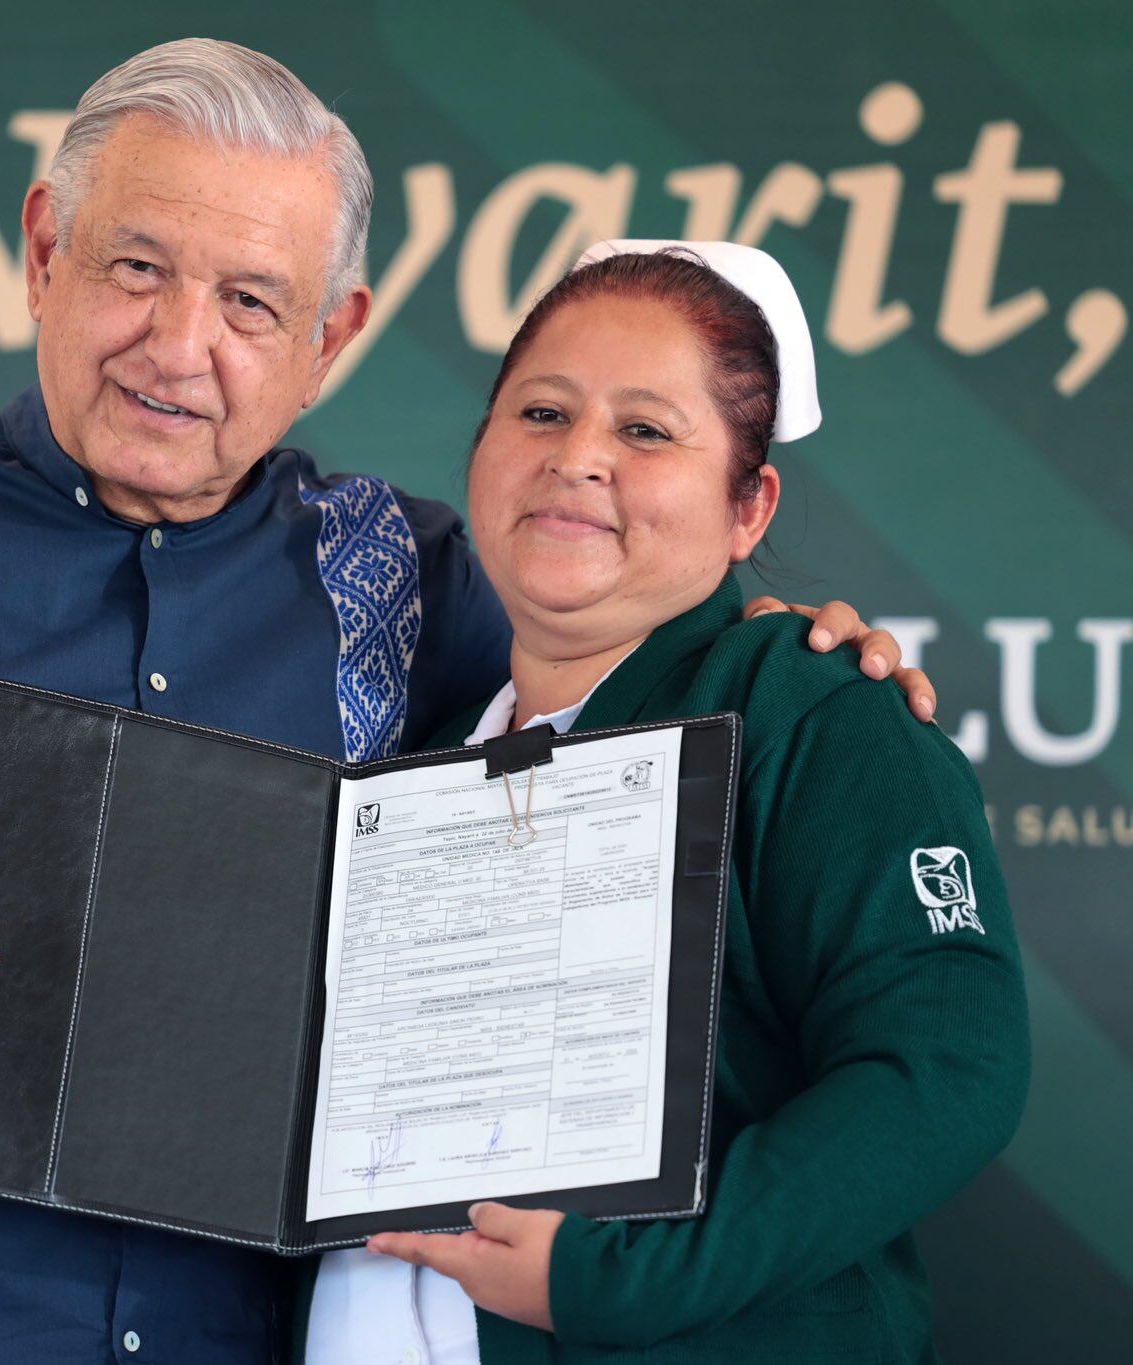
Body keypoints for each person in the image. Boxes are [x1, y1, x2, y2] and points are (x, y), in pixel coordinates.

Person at [0, 41, 931, 1364]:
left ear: (334, 334)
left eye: (252, 301)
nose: (180, 345)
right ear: (43, 251)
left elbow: (614, 669)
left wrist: (797, 654)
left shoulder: (417, 576)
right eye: (136, 266)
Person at [309, 242, 1028, 1363]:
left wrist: (623, 1276)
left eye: (644, 431)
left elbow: (944, 1068)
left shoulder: (813, 710)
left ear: (747, 509)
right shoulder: (427, 750)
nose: (576, 459)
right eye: (540, 413)